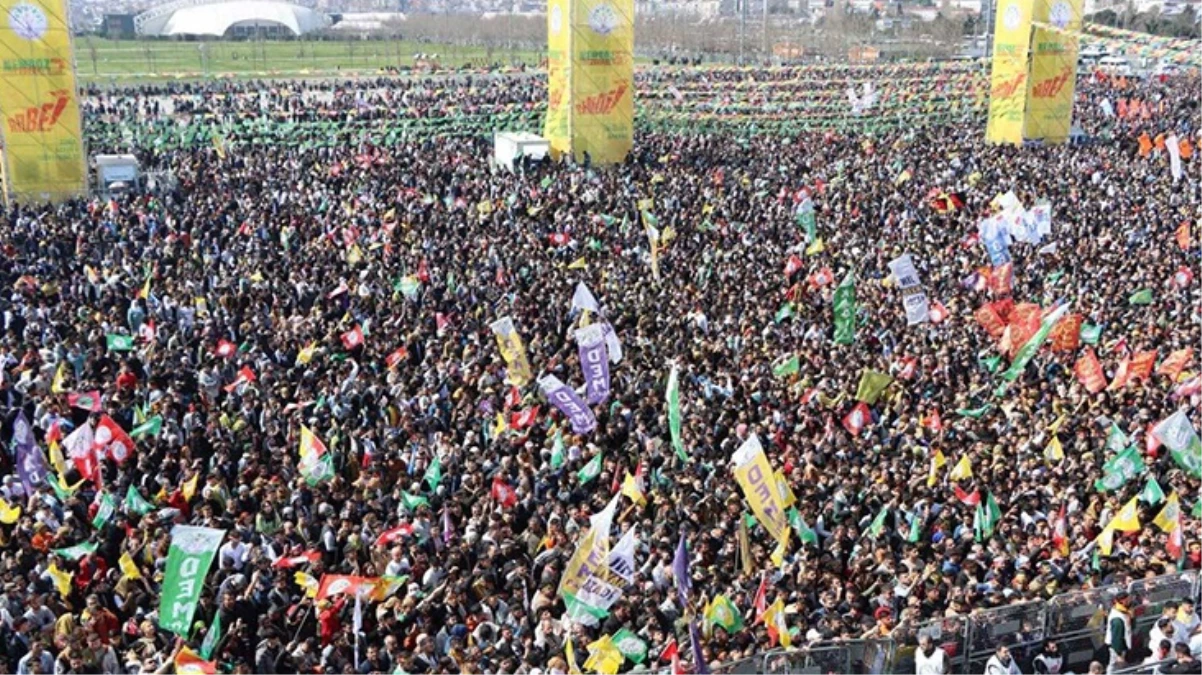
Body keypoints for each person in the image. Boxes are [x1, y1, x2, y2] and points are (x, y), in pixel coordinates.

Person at [1108, 593, 1133, 674]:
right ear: (1123, 601)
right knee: (1113, 667)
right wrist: (1119, 654)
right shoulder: (1117, 618)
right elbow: (1116, 638)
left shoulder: (1125, 611)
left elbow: (1130, 626)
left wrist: (1132, 618)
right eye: (1128, 599)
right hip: (1117, 647)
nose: (1130, 601)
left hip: (1123, 644)